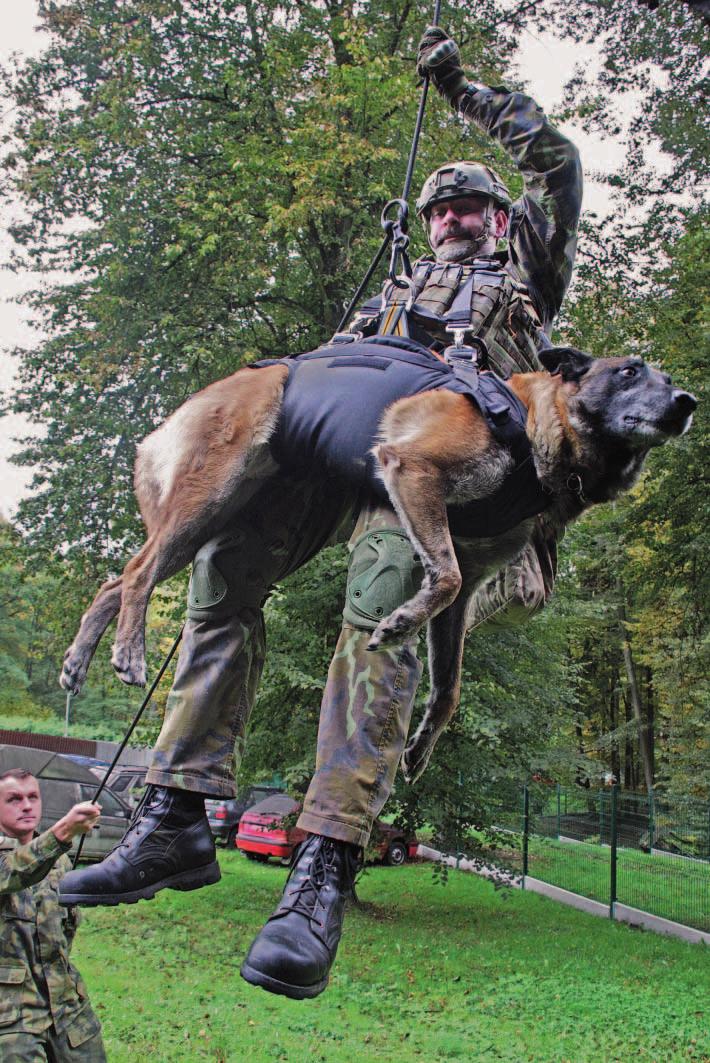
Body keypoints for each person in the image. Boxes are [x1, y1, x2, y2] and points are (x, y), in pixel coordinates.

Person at [59, 27, 583, 999]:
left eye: (473, 204)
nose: (456, 217)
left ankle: (323, 864)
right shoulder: (383, 298)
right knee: (222, 558)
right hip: (341, 450)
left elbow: (558, 162)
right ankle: (177, 810)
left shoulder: (523, 285)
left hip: (446, 475)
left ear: (499, 220)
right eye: (441, 208)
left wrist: (462, 91)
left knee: (385, 586)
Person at [0, 769, 105, 1061]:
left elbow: (68, 924)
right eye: (14, 799)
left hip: (66, 1003)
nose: (26, 805)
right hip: (11, 1014)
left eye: (33, 797)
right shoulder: (46, 849)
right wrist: (63, 831)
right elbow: (15, 870)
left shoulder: (59, 861)